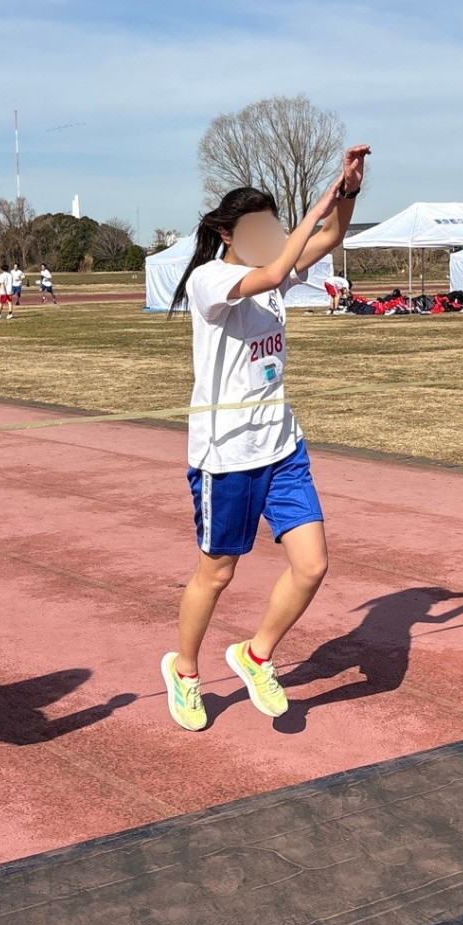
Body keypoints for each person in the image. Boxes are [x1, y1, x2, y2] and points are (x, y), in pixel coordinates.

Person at [160, 146, 369, 731]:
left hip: (282, 448)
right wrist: (320, 201)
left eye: (273, 227)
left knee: (311, 565)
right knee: (218, 573)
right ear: (226, 233)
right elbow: (275, 270)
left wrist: (348, 192)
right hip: (225, 457)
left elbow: (328, 241)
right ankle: (185, 670)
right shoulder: (212, 279)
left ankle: (256, 655)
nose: (270, 236)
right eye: (258, 228)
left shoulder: (275, 269)